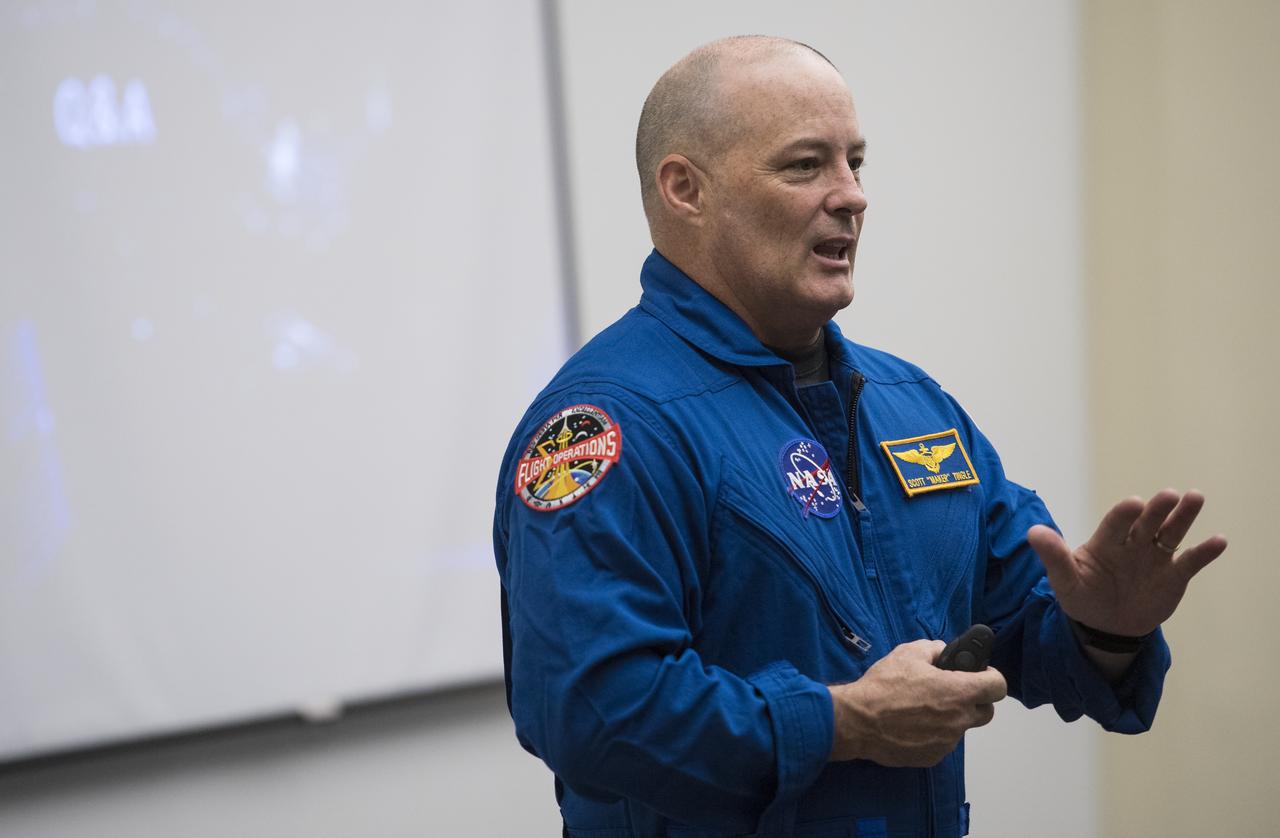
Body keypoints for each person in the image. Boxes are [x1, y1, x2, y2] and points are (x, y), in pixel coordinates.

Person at [492, 36, 1227, 838]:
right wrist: (845, 722)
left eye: (855, 162)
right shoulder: (604, 428)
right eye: (805, 165)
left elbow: (1035, 632)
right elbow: (594, 712)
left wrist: (1105, 628)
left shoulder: (913, 406)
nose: (852, 196)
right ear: (685, 190)